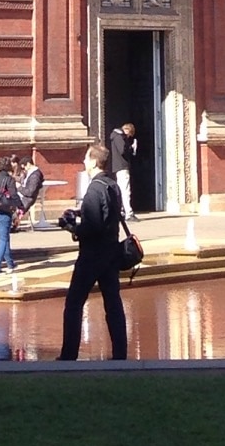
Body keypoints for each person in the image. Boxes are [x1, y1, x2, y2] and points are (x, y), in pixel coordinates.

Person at [58, 143, 129, 361]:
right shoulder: (112, 186)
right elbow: (109, 214)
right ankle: (120, 355)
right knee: (113, 305)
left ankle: (69, 354)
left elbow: (92, 227)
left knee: (73, 304)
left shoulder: (93, 189)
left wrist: (71, 227)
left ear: (93, 162)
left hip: (91, 256)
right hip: (111, 254)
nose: (83, 162)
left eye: (86, 158)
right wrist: (81, 212)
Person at [0, 157, 22, 276]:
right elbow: (14, 195)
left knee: (4, 237)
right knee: (3, 240)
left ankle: (10, 263)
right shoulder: (9, 180)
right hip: (4, 213)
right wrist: (21, 207)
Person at [107, 120, 138, 218]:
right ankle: (129, 212)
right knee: (125, 190)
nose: (128, 137)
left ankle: (121, 211)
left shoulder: (115, 136)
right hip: (122, 166)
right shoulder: (119, 137)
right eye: (130, 135)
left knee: (120, 189)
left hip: (117, 166)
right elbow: (122, 150)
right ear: (128, 130)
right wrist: (131, 148)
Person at [18, 152, 47, 229]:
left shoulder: (35, 175)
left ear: (28, 164)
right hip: (24, 197)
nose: (24, 169)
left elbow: (30, 192)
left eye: (24, 167)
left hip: (26, 199)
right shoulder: (32, 174)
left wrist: (19, 187)